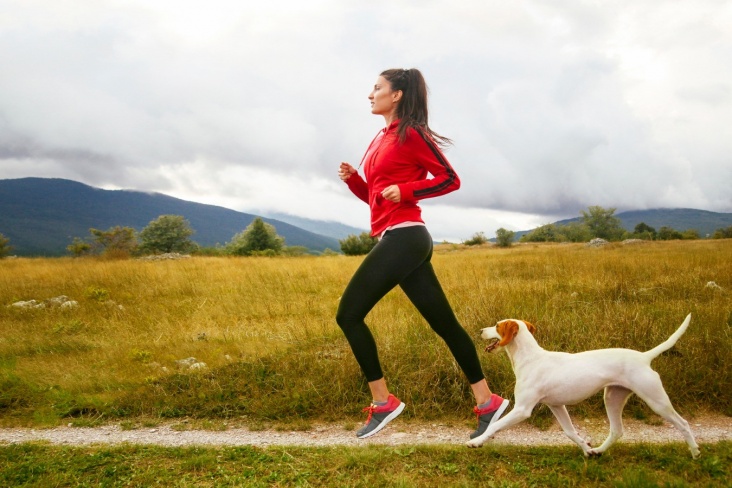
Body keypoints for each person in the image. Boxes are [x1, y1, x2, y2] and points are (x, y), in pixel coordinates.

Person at [336, 68, 509, 439]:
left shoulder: (411, 133)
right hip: (393, 236)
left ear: (396, 94)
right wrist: (355, 179)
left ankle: (383, 403)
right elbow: (375, 198)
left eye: (377, 88)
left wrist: (409, 190)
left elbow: (449, 178)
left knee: (348, 315)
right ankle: (488, 402)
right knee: (445, 325)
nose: (371, 94)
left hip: (406, 236)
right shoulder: (380, 137)